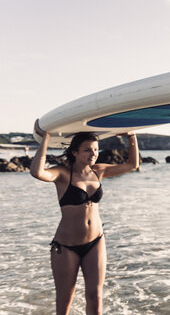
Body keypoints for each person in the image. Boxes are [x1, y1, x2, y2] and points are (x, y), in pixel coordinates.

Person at [30, 120, 139, 315]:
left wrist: (131, 137)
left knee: (95, 297)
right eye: (88, 150)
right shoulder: (62, 174)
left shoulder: (99, 171)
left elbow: (132, 164)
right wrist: (45, 139)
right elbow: (37, 172)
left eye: (96, 149)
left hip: (96, 241)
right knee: (64, 300)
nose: (93, 154)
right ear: (75, 153)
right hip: (66, 246)